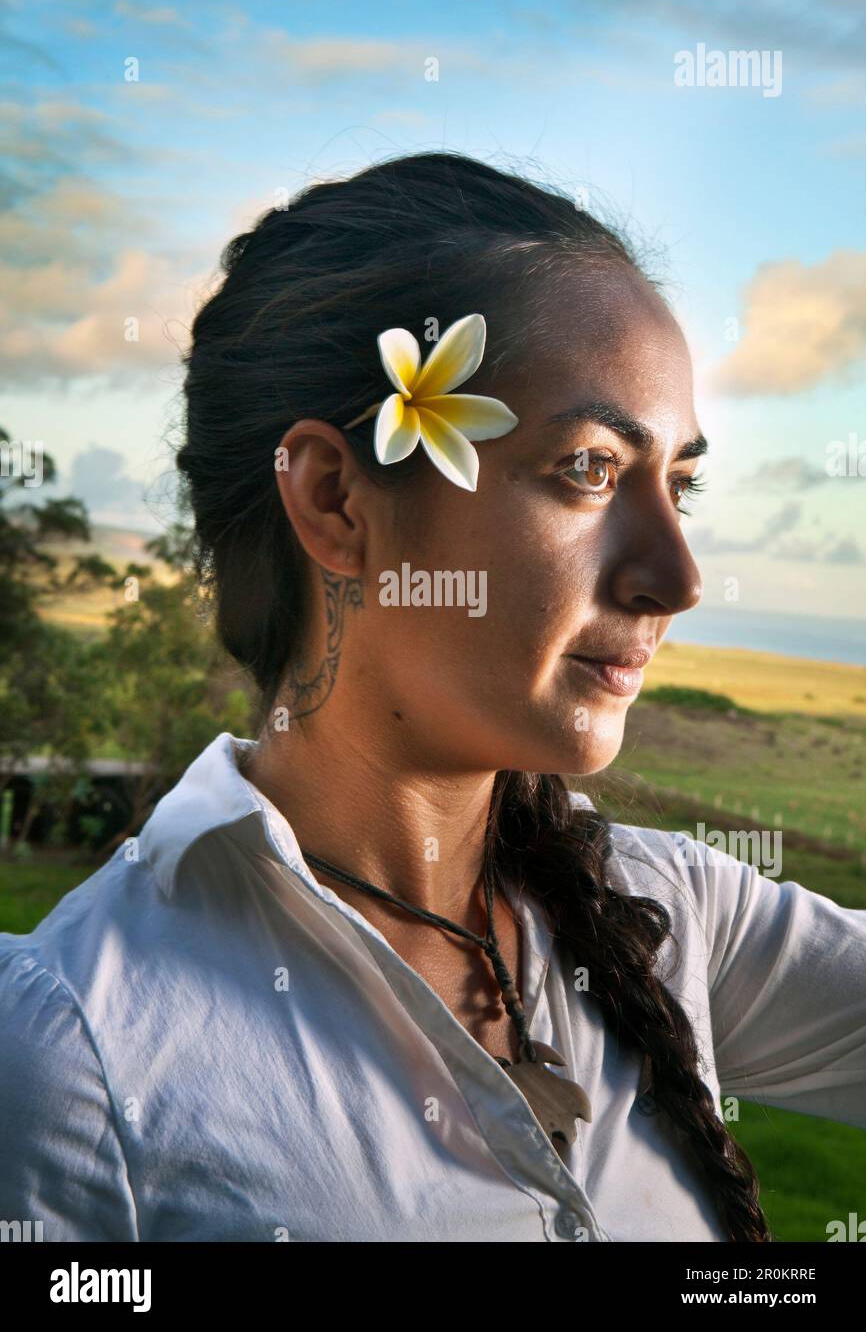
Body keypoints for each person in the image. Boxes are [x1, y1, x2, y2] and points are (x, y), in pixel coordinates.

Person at [1, 152, 864, 1244]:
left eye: (678, 484)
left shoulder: (673, 918)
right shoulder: (76, 1050)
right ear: (334, 499)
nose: (677, 579)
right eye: (590, 468)